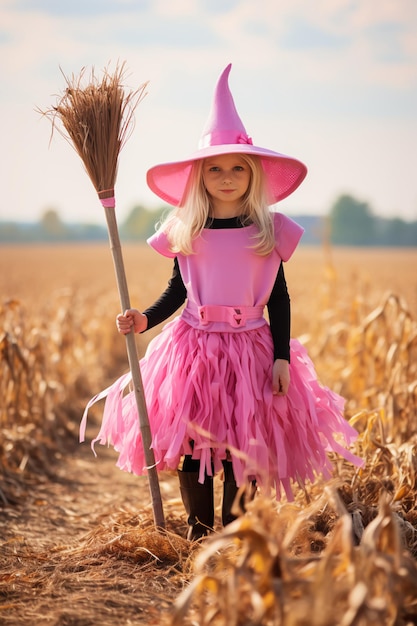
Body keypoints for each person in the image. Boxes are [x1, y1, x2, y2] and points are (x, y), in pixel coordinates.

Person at [81, 64, 363, 541]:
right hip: (194, 349)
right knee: (195, 440)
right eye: (216, 168)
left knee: (240, 445)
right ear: (200, 175)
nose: (226, 177)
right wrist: (144, 317)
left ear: (252, 175)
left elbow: (279, 296)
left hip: (251, 348)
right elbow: (177, 292)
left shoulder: (269, 231)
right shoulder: (186, 230)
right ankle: (197, 531)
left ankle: (234, 533)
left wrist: (279, 356)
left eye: (237, 168)